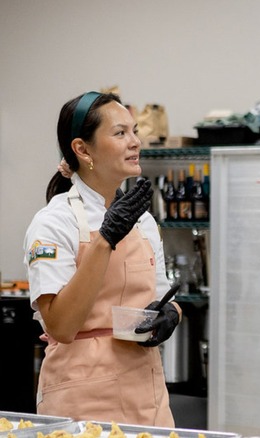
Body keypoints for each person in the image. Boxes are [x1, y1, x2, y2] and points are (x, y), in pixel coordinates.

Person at [24, 91, 182, 426]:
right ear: (82, 149)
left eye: (135, 130)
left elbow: (161, 293)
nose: (135, 142)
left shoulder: (143, 221)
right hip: (81, 395)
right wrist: (105, 240)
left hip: (146, 392)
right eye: (120, 133)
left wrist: (171, 314)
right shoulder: (54, 222)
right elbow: (62, 326)